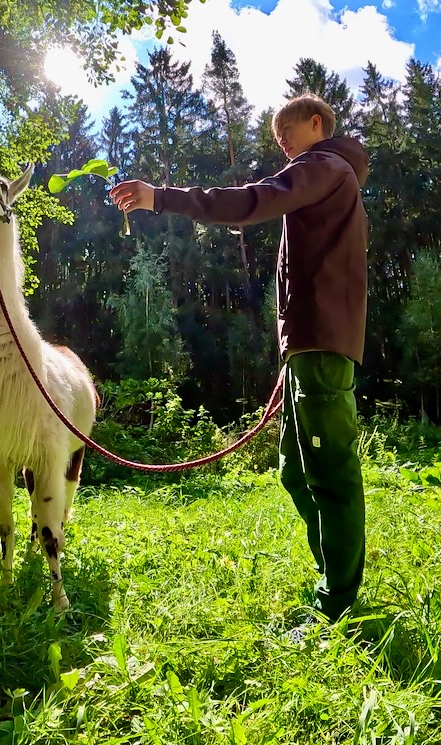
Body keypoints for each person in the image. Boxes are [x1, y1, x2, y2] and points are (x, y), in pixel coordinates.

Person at [109, 93, 369, 624]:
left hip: (322, 344)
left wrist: (160, 197)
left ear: (316, 122)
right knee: (294, 470)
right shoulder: (324, 178)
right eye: (276, 137)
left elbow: (252, 201)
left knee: (330, 472)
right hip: (306, 347)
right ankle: (333, 577)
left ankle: (338, 604)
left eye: (287, 130)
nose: (281, 142)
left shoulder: (324, 166)